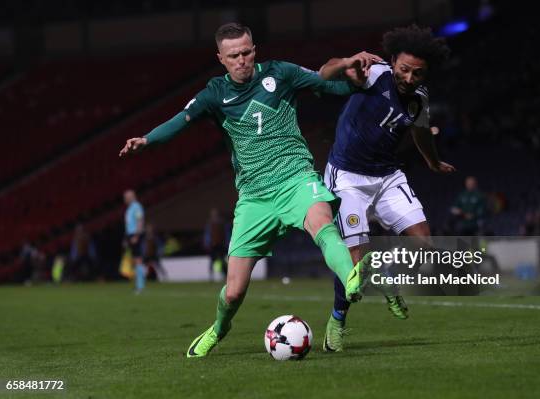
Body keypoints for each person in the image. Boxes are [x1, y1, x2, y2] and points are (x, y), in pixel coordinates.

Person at [119, 22, 378, 358]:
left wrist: (357, 83)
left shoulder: (280, 73)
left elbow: (330, 87)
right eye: (233, 55)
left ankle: (352, 280)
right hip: (254, 198)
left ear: (254, 50)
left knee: (323, 225)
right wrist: (146, 139)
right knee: (232, 294)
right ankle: (217, 329)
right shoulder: (214, 93)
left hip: (295, 179)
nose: (241, 60)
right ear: (221, 58)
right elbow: (179, 121)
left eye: (246, 52)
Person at [318, 25, 455, 352]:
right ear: (393, 61)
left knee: (425, 245)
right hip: (347, 178)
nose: (409, 78)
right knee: (354, 268)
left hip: (388, 178)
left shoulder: (419, 100)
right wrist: (348, 61)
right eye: (404, 69)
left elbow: (421, 134)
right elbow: (324, 73)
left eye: (417, 73)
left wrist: (432, 162)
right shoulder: (373, 73)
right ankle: (337, 321)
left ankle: (387, 275)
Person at [123, 189, 146, 293]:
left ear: (132, 197)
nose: (125, 199)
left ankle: (140, 286)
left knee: (138, 260)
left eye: (126, 197)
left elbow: (140, 221)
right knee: (135, 260)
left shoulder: (136, 207)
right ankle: (138, 284)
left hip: (135, 234)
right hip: (131, 235)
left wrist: (136, 236)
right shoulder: (130, 208)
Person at [203, 208, 230, 281]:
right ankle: (211, 276)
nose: (214, 215)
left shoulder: (223, 223)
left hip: (221, 244)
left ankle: (225, 275)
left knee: (222, 260)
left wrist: (227, 243)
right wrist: (207, 243)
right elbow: (208, 234)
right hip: (213, 245)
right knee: (212, 260)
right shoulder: (210, 223)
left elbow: (227, 233)